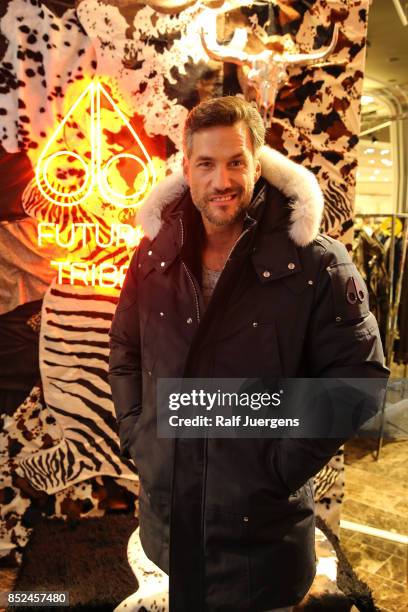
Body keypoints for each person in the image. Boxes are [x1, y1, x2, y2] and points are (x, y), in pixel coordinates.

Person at [109, 96, 389, 612]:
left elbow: (358, 378)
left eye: (236, 161)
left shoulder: (315, 262)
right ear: (186, 170)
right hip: (169, 520)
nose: (222, 181)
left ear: (258, 163)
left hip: (263, 536)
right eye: (206, 164)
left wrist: (278, 466)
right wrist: (138, 434)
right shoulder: (152, 255)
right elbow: (125, 349)